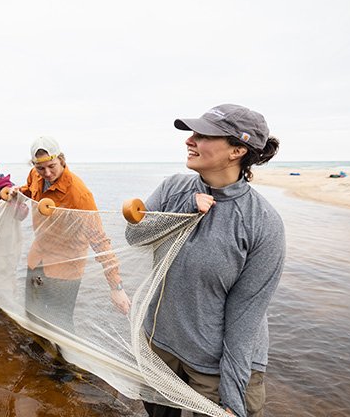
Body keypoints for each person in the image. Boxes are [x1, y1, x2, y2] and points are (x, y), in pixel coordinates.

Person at [131, 104, 285, 417]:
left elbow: (245, 315)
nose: (190, 140)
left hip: (214, 367)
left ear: (238, 150)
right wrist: (185, 210)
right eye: (193, 133)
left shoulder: (263, 223)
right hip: (160, 347)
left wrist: (232, 396)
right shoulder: (173, 188)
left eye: (203, 135)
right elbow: (136, 236)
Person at [16, 136, 130, 331]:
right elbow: (29, 190)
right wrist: (15, 193)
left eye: (52, 166)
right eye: (40, 168)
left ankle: (63, 361)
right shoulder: (35, 176)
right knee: (32, 312)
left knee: (59, 321)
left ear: (61, 159)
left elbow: (100, 240)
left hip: (65, 269)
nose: (47, 173)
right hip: (38, 259)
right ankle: (34, 358)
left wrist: (115, 287)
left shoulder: (79, 194)